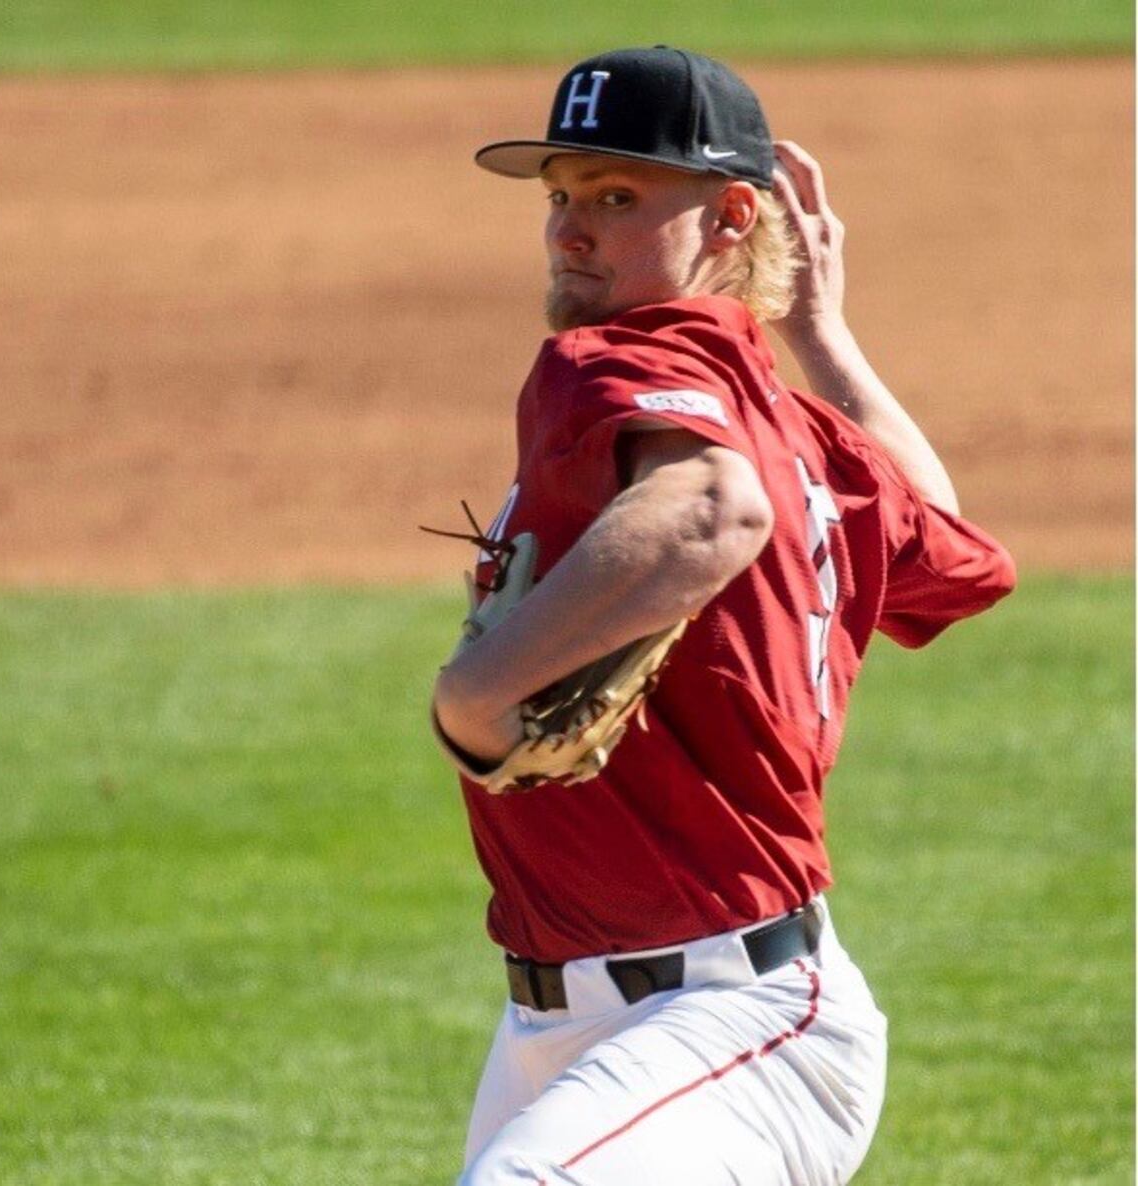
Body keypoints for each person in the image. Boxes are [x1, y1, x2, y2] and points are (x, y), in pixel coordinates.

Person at [429, 46, 1016, 1185]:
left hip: (724, 1022)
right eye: (560, 194)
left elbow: (709, 510)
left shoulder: (610, 361)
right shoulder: (802, 429)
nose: (569, 229)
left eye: (616, 197)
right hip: (598, 1026)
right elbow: (953, 547)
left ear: (732, 215)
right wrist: (823, 339)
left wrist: (473, 695)